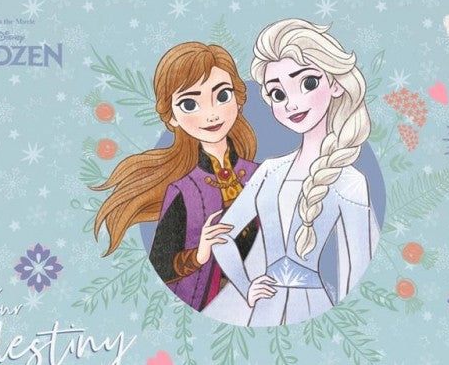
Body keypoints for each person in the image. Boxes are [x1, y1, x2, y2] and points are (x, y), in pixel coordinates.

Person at [211, 19, 378, 326]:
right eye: (278, 94)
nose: (292, 104)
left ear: (336, 84)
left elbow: (359, 271)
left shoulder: (351, 182)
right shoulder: (269, 171)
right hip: (263, 309)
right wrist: (246, 286)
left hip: (315, 309)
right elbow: (223, 236)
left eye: (308, 83)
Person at [92, 42, 258, 312]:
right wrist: (200, 253)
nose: (211, 113)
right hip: (213, 303)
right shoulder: (185, 190)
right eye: (190, 103)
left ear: (238, 100)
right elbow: (161, 264)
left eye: (222, 95)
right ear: (173, 118)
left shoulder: (261, 175)